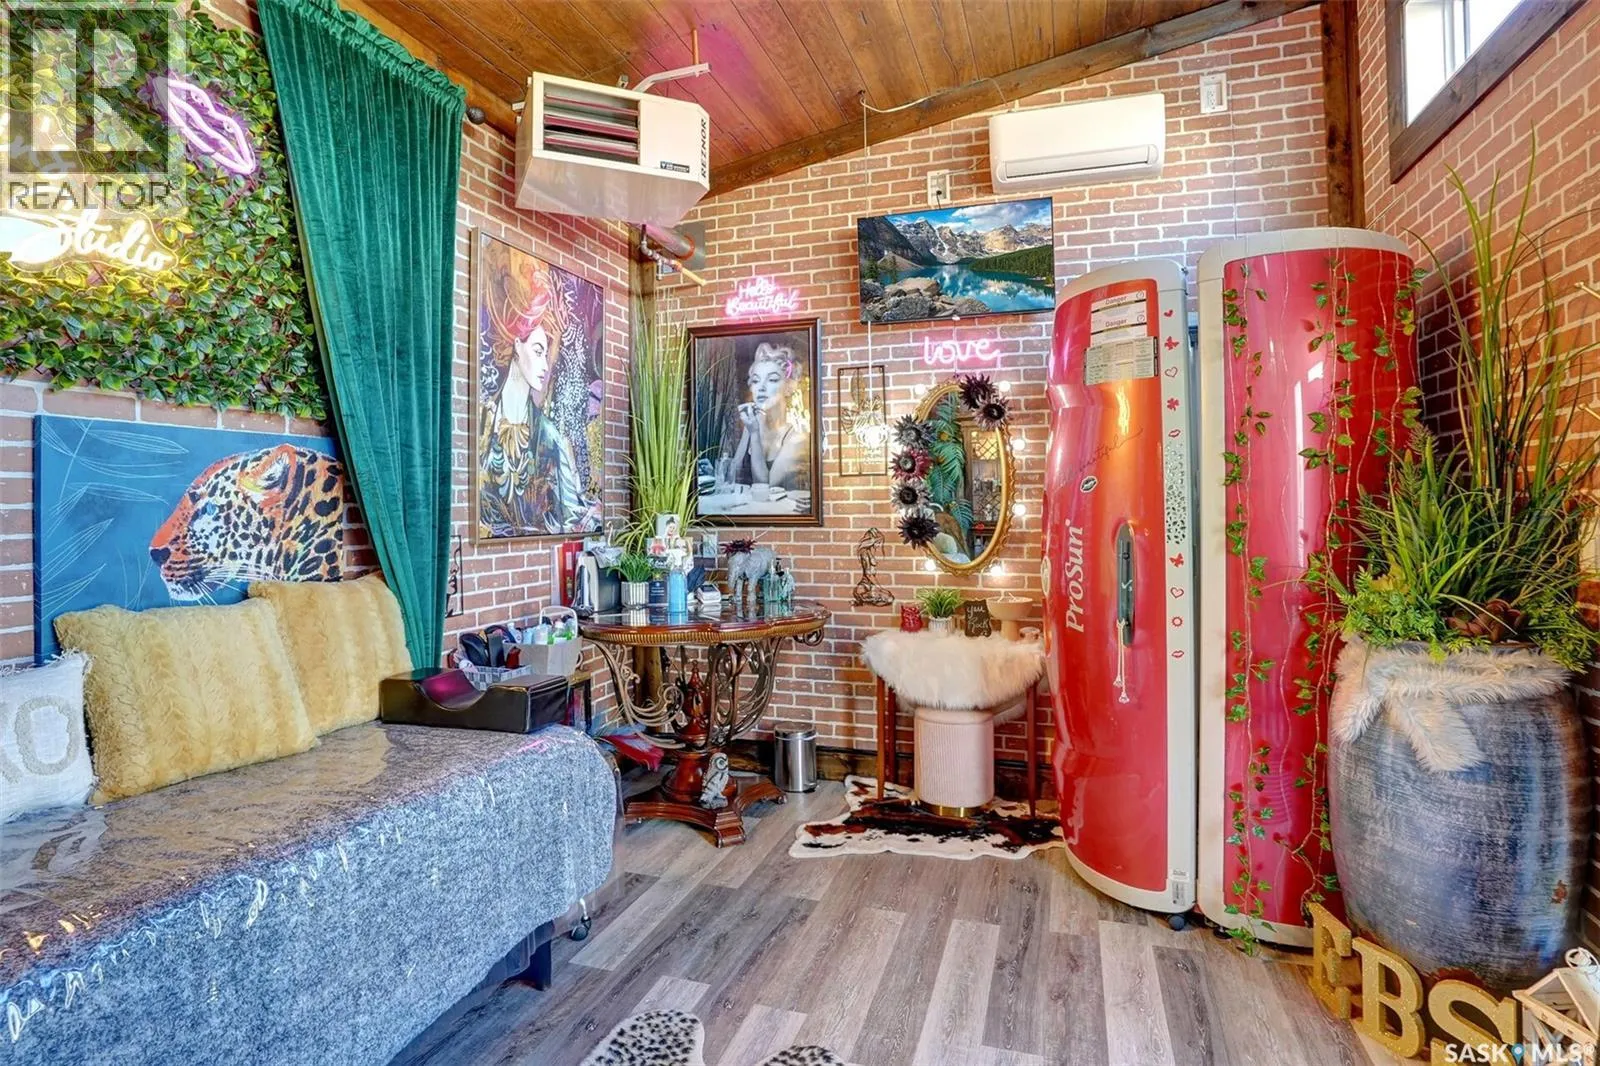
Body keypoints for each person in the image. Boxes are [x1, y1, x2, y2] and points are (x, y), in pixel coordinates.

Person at [479, 262, 600, 535]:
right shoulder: (483, 423)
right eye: (537, 351)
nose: (545, 365)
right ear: (516, 345)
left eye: (546, 354)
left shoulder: (549, 436)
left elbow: (570, 512)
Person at [726, 341, 810, 493]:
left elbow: (765, 488)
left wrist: (754, 434)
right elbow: (734, 476)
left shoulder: (795, 438)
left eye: (772, 380)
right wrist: (720, 469)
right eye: (756, 380)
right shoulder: (751, 425)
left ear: (789, 387)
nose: (761, 387)